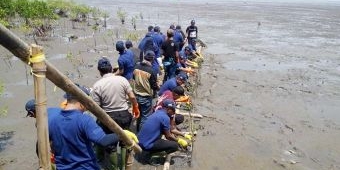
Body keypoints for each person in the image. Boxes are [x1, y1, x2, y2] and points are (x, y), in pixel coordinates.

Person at [47, 84, 138, 170]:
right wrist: (122, 134)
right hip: (85, 167)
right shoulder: (84, 120)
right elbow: (103, 140)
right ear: (81, 101)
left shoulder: (52, 119)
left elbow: (49, 143)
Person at [91, 57, 140, 131]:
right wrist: (135, 107)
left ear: (99, 71)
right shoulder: (122, 80)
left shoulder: (97, 86)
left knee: (110, 139)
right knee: (125, 137)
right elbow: (132, 97)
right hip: (124, 116)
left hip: (108, 118)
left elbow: (96, 107)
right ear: (111, 69)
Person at [133, 50, 159, 131]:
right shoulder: (151, 71)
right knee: (145, 116)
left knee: (138, 114)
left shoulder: (136, 67)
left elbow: (133, 78)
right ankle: (141, 134)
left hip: (136, 95)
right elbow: (154, 86)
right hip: (146, 96)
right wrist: (158, 87)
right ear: (152, 59)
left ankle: (137, 129)